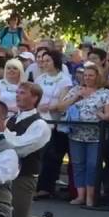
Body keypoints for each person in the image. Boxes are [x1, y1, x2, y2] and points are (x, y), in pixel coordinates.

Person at [58, 62, 109, 208]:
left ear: (97, 77)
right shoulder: (76, 90)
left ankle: (91, 196)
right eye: (86, 75)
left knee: (93, 165)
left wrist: (100, 114)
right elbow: (61, 107)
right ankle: (80, 195)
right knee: (78, 165)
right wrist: (77, 97)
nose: (88, 78)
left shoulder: (105, 93)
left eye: (91, 75)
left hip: (96, 136)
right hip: (75, 134)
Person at [3, 83, 55, 217]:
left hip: (24, 175)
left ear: (34, 98)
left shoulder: (40, 125)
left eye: (23, 93)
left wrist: (2, 132)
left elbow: (21, 148)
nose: (18, 95)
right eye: (17, 92)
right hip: (4, 172)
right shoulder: (11, 120)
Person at [33, 50, 73, 199]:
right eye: (43, 61)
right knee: (38, 154)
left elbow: (63, 103)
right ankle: (36, 185)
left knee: (51, 155)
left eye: (47, 60)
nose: (44, 63)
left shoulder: (64, 80)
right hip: (39, 120)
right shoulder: (40, 78)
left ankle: (46, 187)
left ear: (55, 62)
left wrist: (49, 107)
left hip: (55, 121)